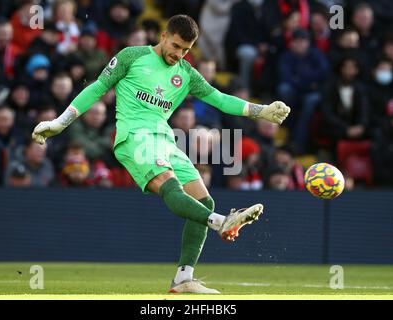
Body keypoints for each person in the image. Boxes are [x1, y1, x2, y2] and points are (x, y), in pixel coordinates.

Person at [32, 15, 290, 294]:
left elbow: (219, 98)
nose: (178, 54)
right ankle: (220, 221)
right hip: (134, 137)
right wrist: (60, 122)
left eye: (186, 50)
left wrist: (260, 110)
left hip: (166, 140)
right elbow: (97, 88)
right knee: (171, 188)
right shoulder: (132, 56)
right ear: (164, 35)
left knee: (203, 198)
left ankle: (184, 278)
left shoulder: (187, 74)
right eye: (176, 46)